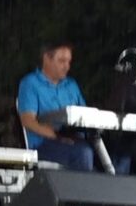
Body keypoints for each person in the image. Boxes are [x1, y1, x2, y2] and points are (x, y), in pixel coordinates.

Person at [18, 42, 95, 171]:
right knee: (83, 153)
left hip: (75, 141)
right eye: (62, 61)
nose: (67, 66)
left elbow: (85, 116)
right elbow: (28, 121)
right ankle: (81, 185)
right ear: (46, 59)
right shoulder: (30, 83)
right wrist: (57, 137)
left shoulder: (71, 85)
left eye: (69, 62)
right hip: (43, 144)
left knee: (119, 152)